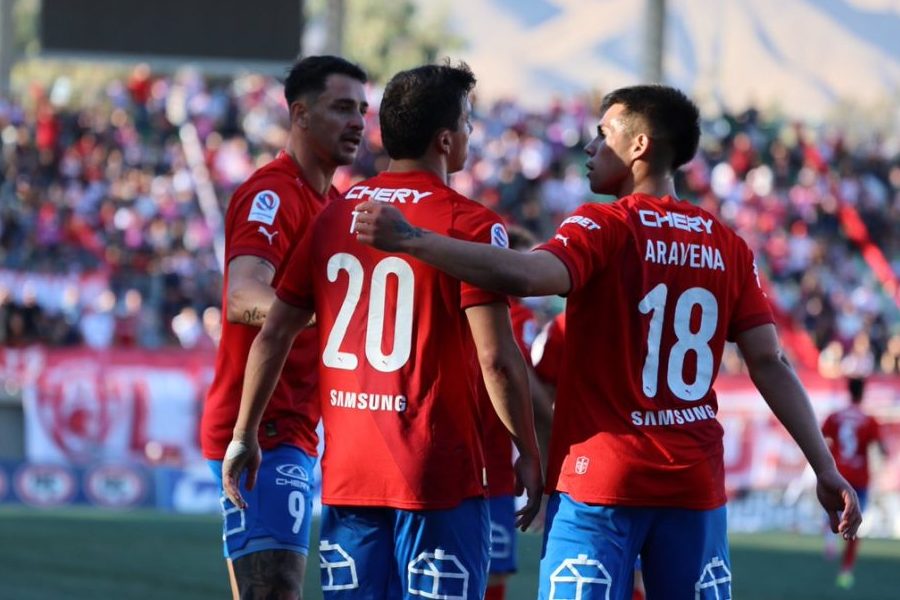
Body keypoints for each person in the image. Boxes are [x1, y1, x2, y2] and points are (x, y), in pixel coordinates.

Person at [352, 83, 862, 600]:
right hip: (693, 483)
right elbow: (770, 361)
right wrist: (824, 467)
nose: (590, 148)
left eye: (603, 134)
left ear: (638, 146)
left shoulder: (603, 226)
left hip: (600, 481)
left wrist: (411, 240)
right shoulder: (727, 244)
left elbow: (527, 277)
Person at [223, 62, 543, 600]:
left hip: (351, 477)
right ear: (446, 140)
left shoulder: (337, 214)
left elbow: (274, 331)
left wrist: (243, 434)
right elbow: (497, 358)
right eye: (467, 121)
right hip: (437, 477)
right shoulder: (471, 224)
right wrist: (528, 450)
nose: (470, 132)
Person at [200, 55, 368, 600]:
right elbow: (243, 296)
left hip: (299, 424)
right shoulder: (271, 193)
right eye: (342, 108)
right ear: (299, 113)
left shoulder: (338, 205)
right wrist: (327, 316)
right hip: (262, 427)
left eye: (362, 110)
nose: (359, 123)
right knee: (275, 591)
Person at [822, 377, 887, 589]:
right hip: (859, 480)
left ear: (849, 392)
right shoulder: (869, 420)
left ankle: (829, 536)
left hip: (838, 475)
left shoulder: (836, 416)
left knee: (833, 511)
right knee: (855, 526)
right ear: (863, 393)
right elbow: (881, 448)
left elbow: (821, 438)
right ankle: (846, 571)